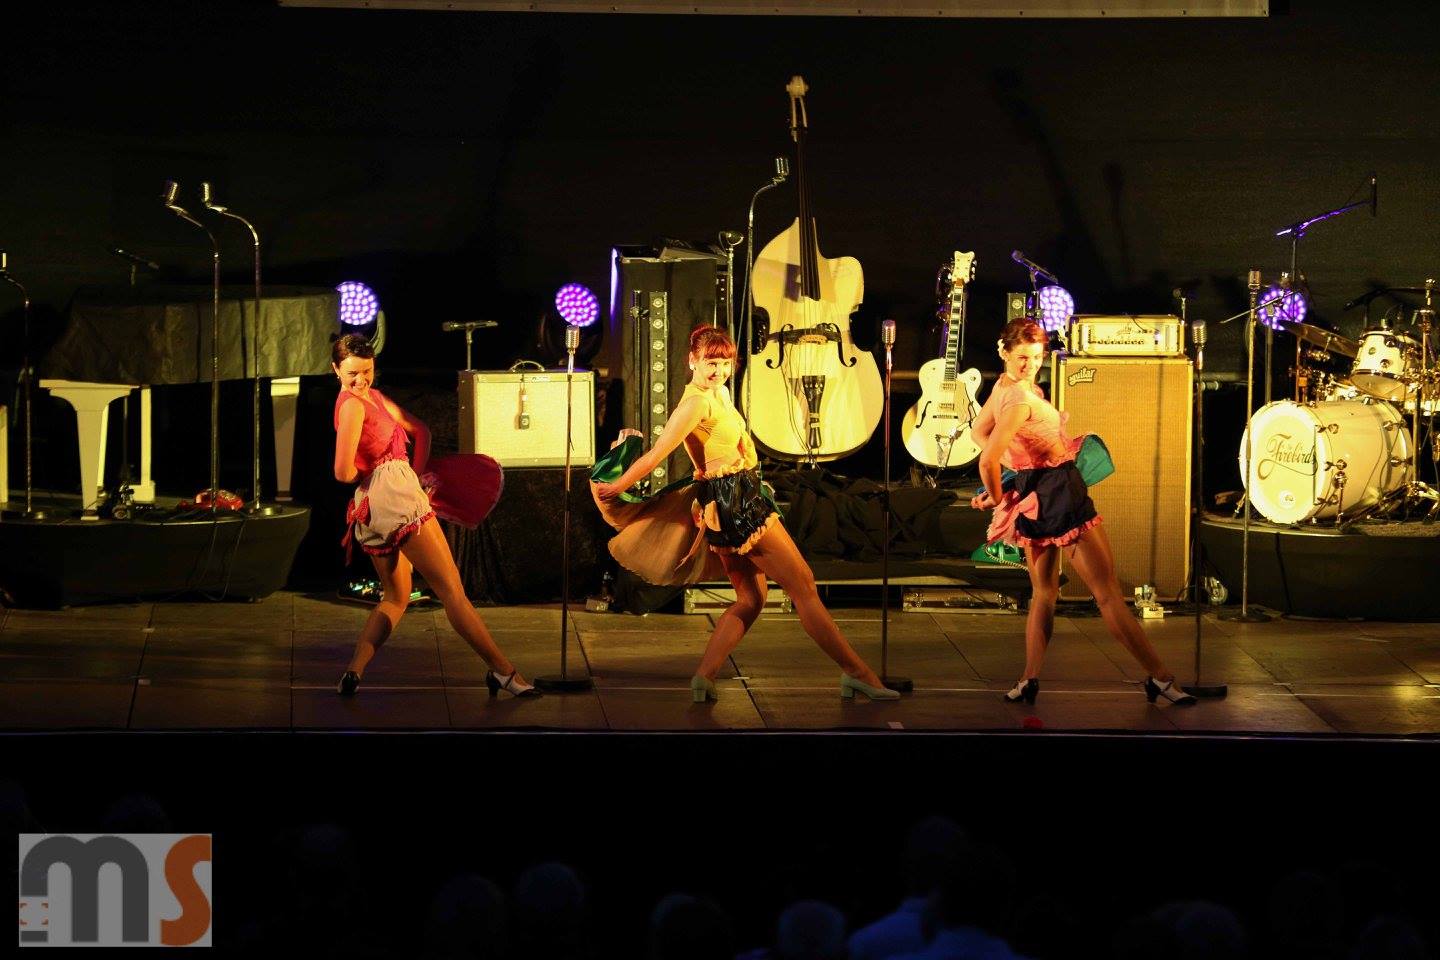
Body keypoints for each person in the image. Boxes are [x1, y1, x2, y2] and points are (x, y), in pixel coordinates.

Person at [592, 324, 899, 702]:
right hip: (734, 503)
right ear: (692, 360)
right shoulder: (695, 404)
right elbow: (657, 455)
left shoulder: (719, 393)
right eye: (711, 362)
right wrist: (617, 487)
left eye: (725, 363)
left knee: (751, 598)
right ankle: (857, 673)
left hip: (736, 496)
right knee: (803, 585)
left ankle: (704, 677)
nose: (719, 370)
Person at [970, 317, 1195, 706]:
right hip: (1059, 492)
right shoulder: (1020, 400)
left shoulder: (1004, 388)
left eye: (1037, 357)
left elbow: (978, 432)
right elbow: (986, 458)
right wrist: (995, 494)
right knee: (1107, 595)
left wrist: (1020, 467)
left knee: (1044, 593)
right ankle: (1160, 678)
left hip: (1034, 492)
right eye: (1022, 357)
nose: (1030, 365)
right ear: (1004, 351)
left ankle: (1028, 679)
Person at [330, 333, 535, 698]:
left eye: (367, 371)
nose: (360, 380)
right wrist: (388, 475)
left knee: (396, 597)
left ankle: (354, 670)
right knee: (453, 592)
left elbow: (421, 430)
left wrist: (413, 476)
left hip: (375, 507)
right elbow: (342, 472)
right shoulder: (352, 407)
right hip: (392, 500)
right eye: (352, 374)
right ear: (335, 370)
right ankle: (503, 672)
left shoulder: (373, 397)